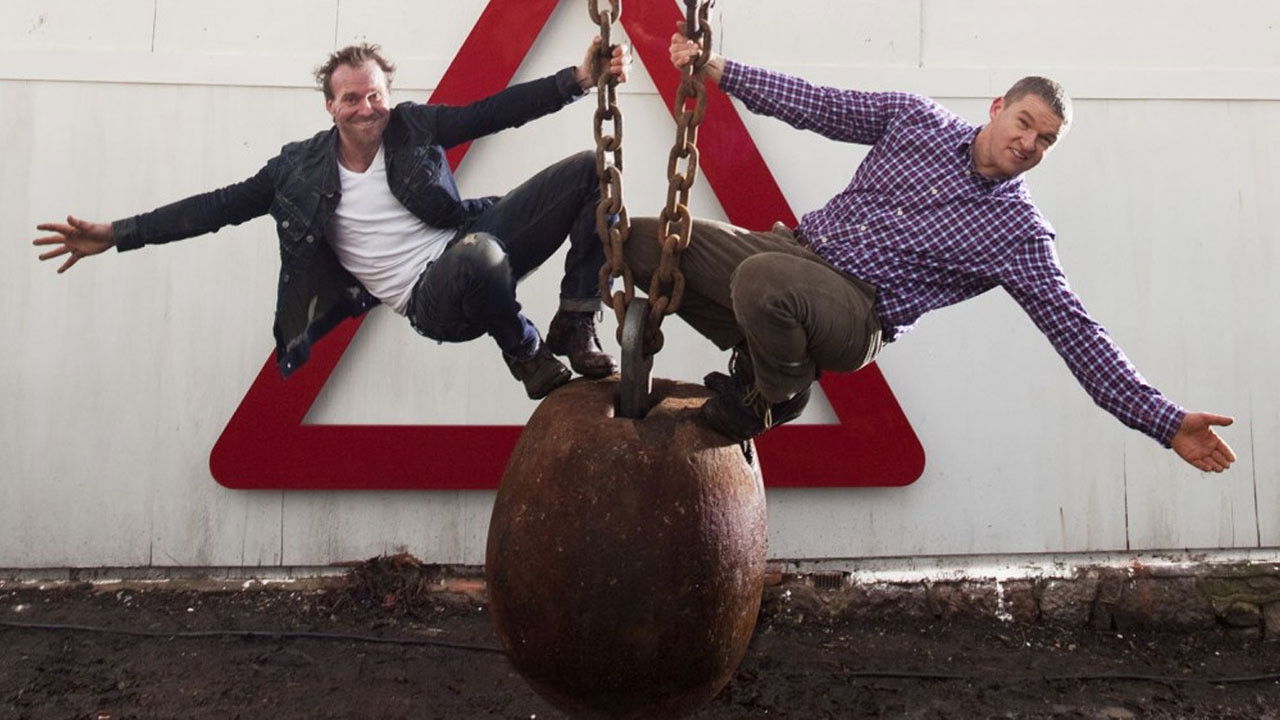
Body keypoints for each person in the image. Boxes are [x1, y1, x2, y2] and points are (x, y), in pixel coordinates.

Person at [620, 26, 1236, 473]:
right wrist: (719, 69)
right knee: (645, 244)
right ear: (997, 107)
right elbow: (820, 106)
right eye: (1024, 123)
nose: (1029, 143)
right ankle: (769, 356)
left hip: (856, 312)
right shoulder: (916, 120)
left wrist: (1166, 421)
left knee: (764, 281)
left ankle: (771, 394)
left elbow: (1079, 335)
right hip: (793, 251)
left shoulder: (1019, 234)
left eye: (1046, 141)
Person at [33, 39, 631, 400]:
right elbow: (215, 208)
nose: (367, 109)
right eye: (351, 98)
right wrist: (119, 233)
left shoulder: (413, 126)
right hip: (434, 300)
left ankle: (576, 322)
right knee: (477, 256)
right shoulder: (295, 172)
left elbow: (491, 113)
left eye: (375, 95)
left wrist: (580, 79)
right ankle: (526, 351)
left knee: (589, 171)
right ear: (330, 106)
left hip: (472, 247)